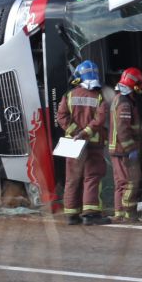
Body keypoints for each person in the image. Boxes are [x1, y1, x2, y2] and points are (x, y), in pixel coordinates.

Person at [54, 60, 111, 226]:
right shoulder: (99, 97)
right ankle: (91, 214)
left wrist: (74, 132)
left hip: (73, 145)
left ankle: (72, 215)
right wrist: (85, 133)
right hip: (94, 145)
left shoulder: (69, 95)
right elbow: (99, 120)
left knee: (72, 178)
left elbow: (61, 117)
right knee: (92, 177)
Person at [107, 67, 142, 222]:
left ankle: (119, 214)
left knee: (120, 184)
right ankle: (129, 214)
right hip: (123, 150)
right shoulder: (124, 103)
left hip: (117, 149)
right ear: (133, 84)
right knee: (131, 181)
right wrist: (130, 149)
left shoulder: (119, 98)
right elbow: (123, 129)